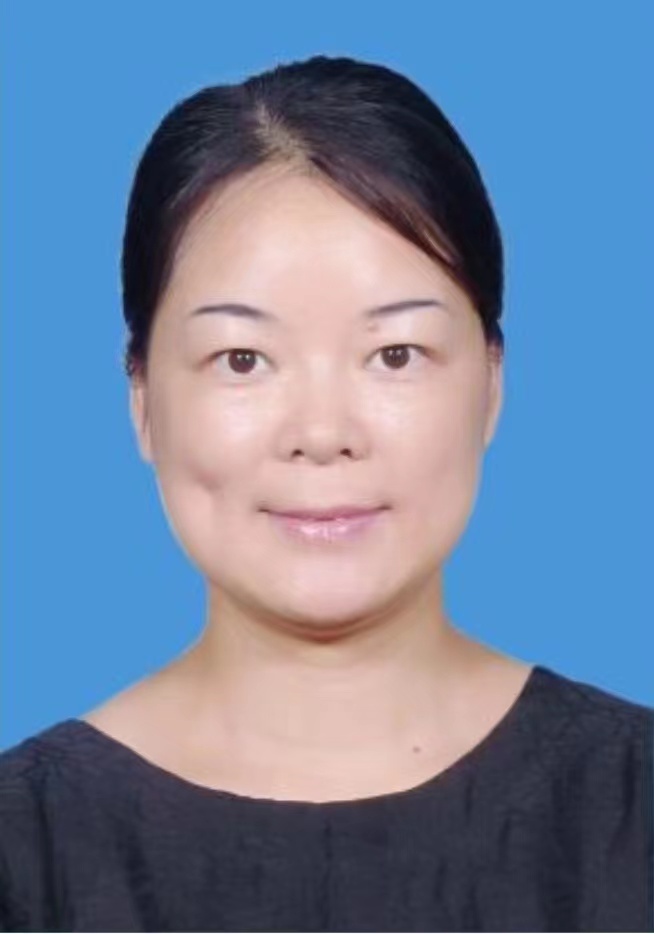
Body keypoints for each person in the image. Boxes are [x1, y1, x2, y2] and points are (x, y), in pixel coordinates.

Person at [0, 53, 651, 933]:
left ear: (492, 385)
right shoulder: (25, 849)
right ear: (142, 399)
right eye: (242, 360)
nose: (321, 430)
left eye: (395, 354)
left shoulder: (631, 807)